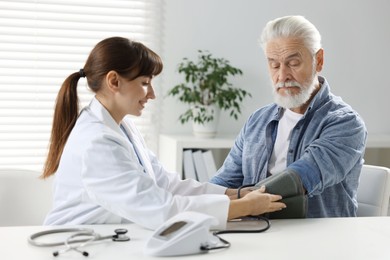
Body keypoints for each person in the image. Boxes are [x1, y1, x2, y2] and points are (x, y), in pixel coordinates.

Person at [42, 37, 285, 230]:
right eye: (145, 82)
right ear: (114, 81)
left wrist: (233, 194)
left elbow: (164, 183)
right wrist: (243, 208)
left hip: (104, 238)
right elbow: (161, 210)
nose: (152, 94)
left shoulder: (120, 127)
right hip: (74, 244)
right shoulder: (97, 142)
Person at [210, 15, 367, 217]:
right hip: (259, 233)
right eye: (274, 65)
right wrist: (194, 204)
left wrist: (238, 204)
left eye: (293, 63)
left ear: (318, 60)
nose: (282, 76)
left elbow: (298, 180)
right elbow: (224, 182)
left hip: (319, 242)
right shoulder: (258, 121)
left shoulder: (345, 123)